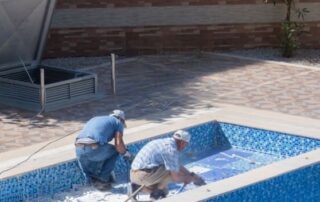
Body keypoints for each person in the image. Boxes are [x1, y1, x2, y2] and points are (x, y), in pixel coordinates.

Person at [130, 130, 206, 200]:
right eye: (185, 145)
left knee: (165, 191)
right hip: (142, 175)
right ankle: (154, 194)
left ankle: (138, 187)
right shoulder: (171, 150)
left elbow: (176, 164)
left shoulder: (165, 142)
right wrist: (188, 179)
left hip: (134, 174)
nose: (184, 147)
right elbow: (176, 178)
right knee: (170, 173)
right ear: (182, 142)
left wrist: (191, 175)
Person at [75, 109, 133, 191]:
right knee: (115, 151)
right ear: (121, 119)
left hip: (78, 149)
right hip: (93, 148)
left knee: (91, 171)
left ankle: (91, 181)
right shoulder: (118, 122)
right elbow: (119, 145)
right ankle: (103, 179)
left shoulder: (95, 119)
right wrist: (126, 154)